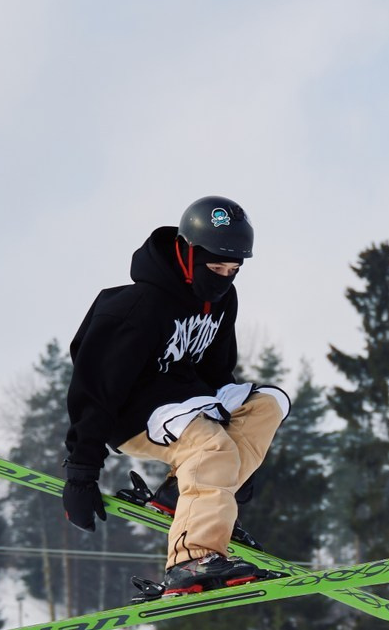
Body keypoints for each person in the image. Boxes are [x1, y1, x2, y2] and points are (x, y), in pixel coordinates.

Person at [59, 197, 287, 596]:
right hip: (130, 413)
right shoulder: (136, 307)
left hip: (186, 402)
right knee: (211, 447)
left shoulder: (223, 301)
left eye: (233, 270)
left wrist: (239, 459)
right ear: (188, 253)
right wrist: (81, 472)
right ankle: (190, 559)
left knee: (266, 405)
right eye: (215, 268)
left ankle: (184, 495)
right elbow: (95, 389)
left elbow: (217, 374)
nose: (223, 279)